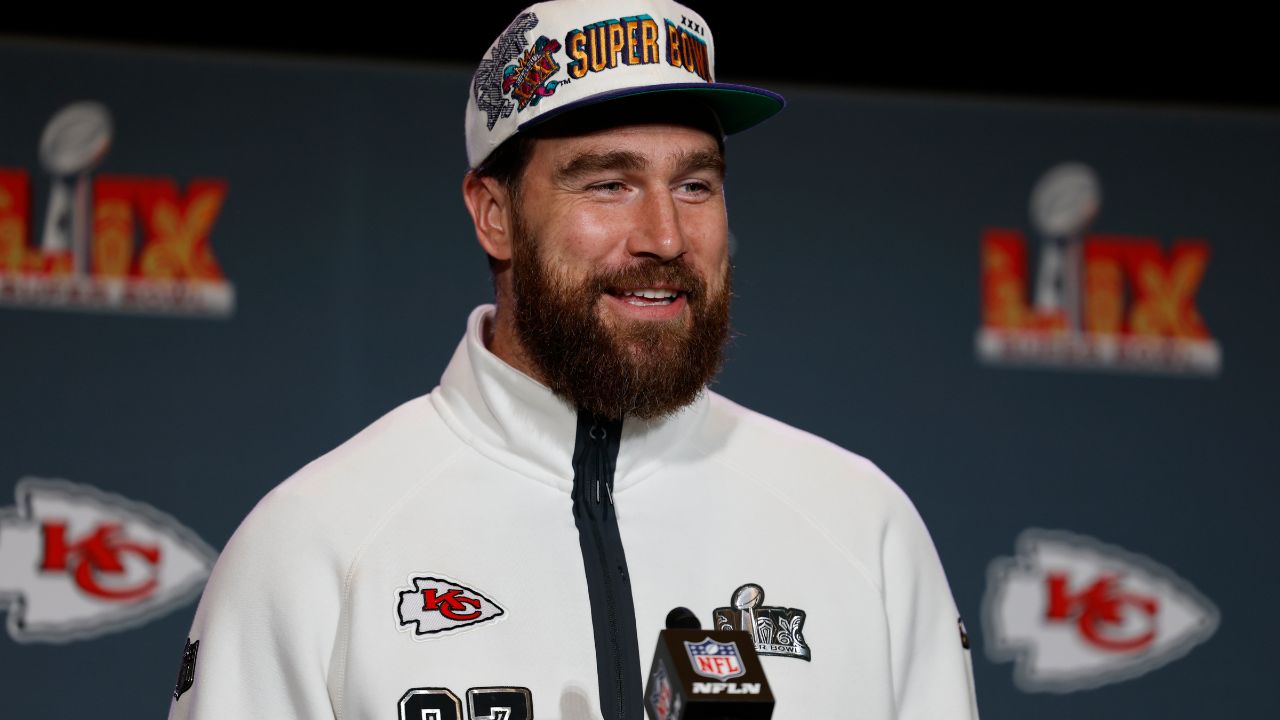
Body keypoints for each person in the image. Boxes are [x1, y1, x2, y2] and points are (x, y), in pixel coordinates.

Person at [168, 1, 980, 719]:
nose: (665, 237)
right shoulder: (316, 546)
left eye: (695, 185)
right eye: (607, 184)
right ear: (494, 215)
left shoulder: (861, 528)